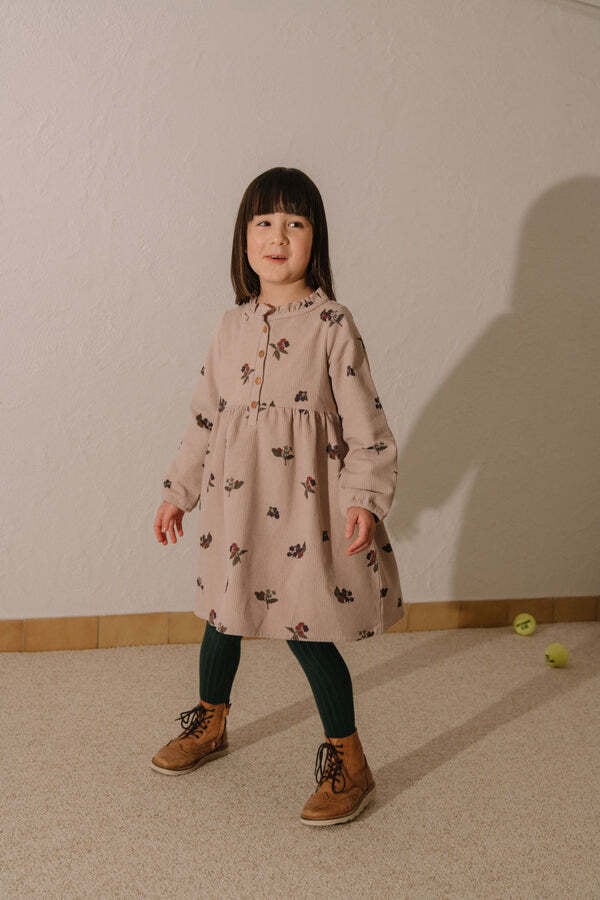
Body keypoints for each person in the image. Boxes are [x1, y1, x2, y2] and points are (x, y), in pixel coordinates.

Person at [151, 166, 404, 826]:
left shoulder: (331, 323)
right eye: (263, 222)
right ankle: (211, 721)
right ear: (244, 238)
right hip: (234, 509)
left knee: (306, 626)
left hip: (304, 511)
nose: (278, 236)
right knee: (222, 617)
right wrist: (178, 491)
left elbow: (366, 423)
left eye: (295, 223)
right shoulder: (229, 326)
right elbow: (204, 418)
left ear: (316, 240)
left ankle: (349, 760)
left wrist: (364, 496)